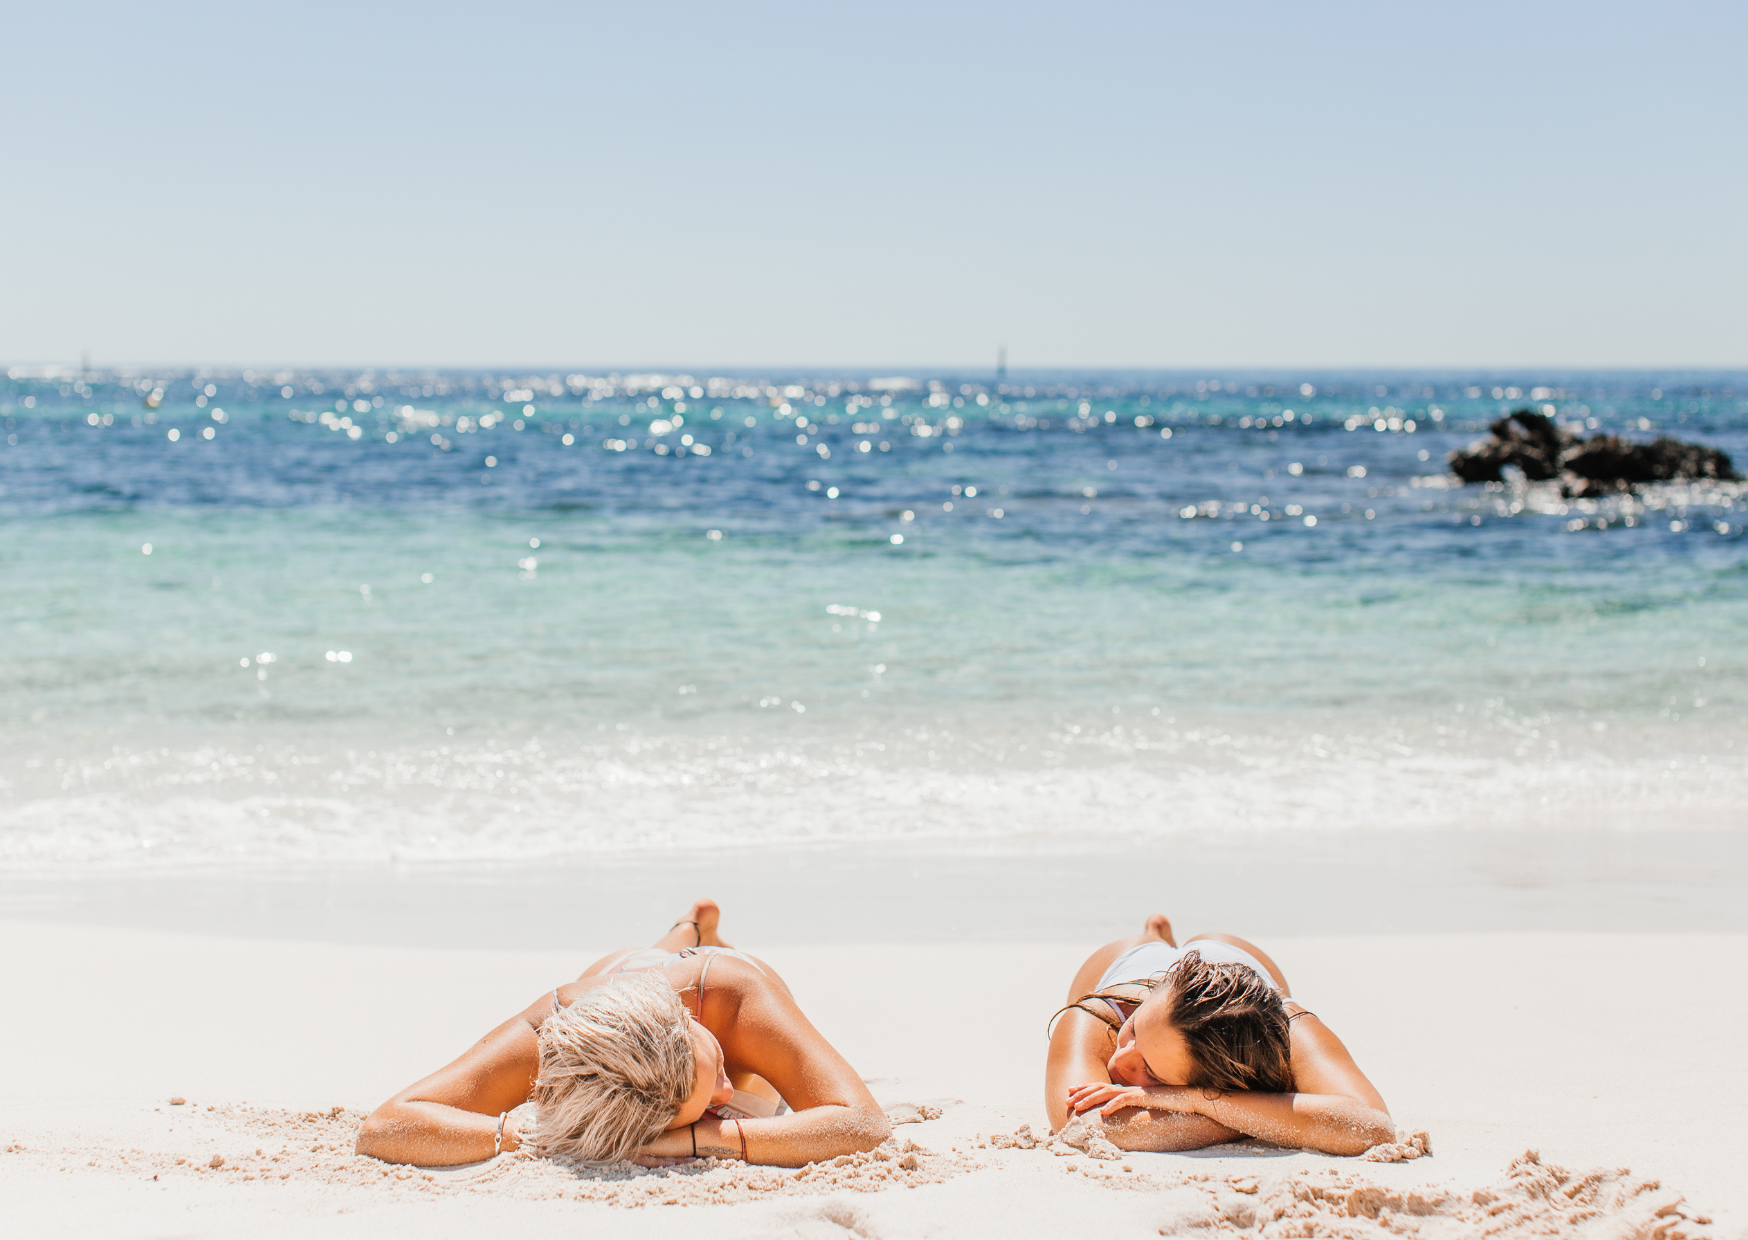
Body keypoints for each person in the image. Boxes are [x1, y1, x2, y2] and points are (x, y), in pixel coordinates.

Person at [355, 900, 889, 1167]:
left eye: (714, 1073)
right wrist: (537, 1139)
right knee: (637, 961)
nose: (726, 1093)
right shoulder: (561, 1026)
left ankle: (697, 931)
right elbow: (385, 1126)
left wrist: (706, 1134)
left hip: (707, 974)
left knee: (672, 963)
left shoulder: (732, 993)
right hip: (616, 980)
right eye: (707, 1101)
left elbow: (864, 1125)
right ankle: (684, 928)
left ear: (687, 1019)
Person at [1045, 913, 1395, 1155]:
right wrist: (1264, 1111)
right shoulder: (1098, 1018)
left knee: (1217, 954)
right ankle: (1155, 934)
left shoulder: (1292, 1029)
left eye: (1150, 1071)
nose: (1119, 1060)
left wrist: (1198, 1102)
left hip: (1235, 962)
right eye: (1134, 1032)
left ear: (1219, 1080)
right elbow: (1084, 1126)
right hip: (1132, 963)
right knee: (1144, 941)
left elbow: (1373, 1126)